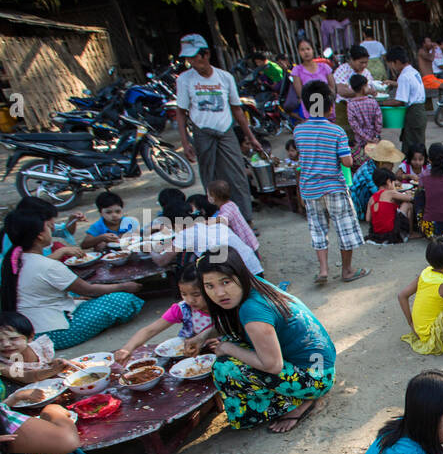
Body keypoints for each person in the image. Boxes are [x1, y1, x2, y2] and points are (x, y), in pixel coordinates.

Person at [198, 251, 336, 433]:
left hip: (316, 379)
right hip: (320, 366)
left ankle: (294, 405)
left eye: (226, 282)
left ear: (239, 275)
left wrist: (227, 348)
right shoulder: (256, 284)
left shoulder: (252, 310)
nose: (219, 293)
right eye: (209, 286)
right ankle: (294, 398)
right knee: (229, 342)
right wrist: (201, 337)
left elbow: (273, 366)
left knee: (224, 367)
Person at [0, 211, 142, 351]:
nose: (51, 230)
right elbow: (88, 289)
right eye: (48, 227)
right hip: (54, 334)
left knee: (85, 301)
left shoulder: (14, 261)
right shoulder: (47, 265)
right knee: (124, 300)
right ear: (40, 236)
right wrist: (123, 286)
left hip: (31, 328)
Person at [173, 34, 259, 224]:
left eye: (196, 56)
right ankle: (219, 221)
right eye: (189, 58)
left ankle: (245, 220)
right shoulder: (185, 80)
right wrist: (185, 142)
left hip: (226, 130)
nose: (193, 61)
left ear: (206, 54)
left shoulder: (224, 77)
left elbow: (236, 109)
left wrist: (251, 137)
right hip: (202, 132)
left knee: (237, 177)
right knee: (211, 180)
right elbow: (181, 112)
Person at [292, 80, 370, 286]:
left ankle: (324, 269)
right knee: (344, 228)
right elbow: (346, 162)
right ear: (330, 106)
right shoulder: (336, 132)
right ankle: (347, 270)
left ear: (307, 106)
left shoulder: (298, 132)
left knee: (318, 229)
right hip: (334, 187)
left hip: (310, 188)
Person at [112, 260, 214, 363]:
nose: (190, 300)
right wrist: (127, 348)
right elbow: (150, 330)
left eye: (196, 294)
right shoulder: (183, 309)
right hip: (191, 356)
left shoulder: (224, 306)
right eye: (184, 294)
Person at [0, 311, 74, 385]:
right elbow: (25, 377)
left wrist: (57, 363)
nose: (6, 344)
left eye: (13, 338)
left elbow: (45, 364)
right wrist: (53, 370)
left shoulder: (38, 348)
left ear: (30, 337)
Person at [385, 47, 427, 153]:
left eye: (391, 65)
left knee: (412, 146)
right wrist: (393, 83)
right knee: (418, 143)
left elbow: (400, 101)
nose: (392, 68)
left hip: (414, 113)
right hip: (420, 111)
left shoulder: (404, 76)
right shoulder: (413, 71)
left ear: (397, 62)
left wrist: (380, 103)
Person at [206, 179, 259, 256]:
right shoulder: (231, 204)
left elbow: (223, 219)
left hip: (245, 242)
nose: (207, 197)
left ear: (214, 196)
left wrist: (206, 222)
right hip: (249, 239)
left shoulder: (225, 208)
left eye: (208, 195)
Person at [289, 38, 335, 120]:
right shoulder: (297, 70)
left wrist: (327, 104)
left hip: (327, 109)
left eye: (308, 49)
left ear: (312, 50)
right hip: (310, 110)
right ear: (299, 52)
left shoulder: (324, 67)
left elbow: (332, 88)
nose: (306, 52)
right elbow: (301, 94)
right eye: (302, 50)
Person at [345, 73, 383, 168]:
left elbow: (355, 127)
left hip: (360, 142)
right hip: (375, 140)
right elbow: (379, 121)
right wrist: (376, 136)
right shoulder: (373, 102)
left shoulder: (350, 105)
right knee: (377, 164)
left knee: (365, 166)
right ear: (363, 88)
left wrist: (367, 138)